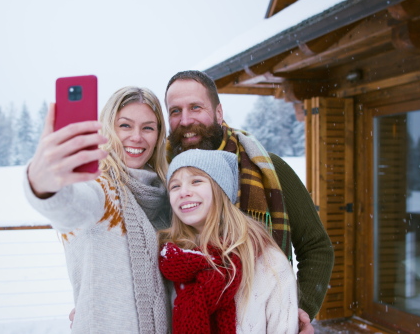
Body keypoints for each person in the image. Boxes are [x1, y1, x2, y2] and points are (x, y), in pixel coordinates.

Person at [164, 70, 334, 332]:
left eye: (196, 107)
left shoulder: (267, 169)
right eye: (175, 111)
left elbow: (316, 246)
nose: (185, 120)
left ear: (219, 113)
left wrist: (298, 310)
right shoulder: (161, 175)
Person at [25, 86, 170, 333]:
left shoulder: (167, 196)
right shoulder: (99, 189)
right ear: (107, 129)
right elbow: (70, 205)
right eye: (125, 125)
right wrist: (43, 185)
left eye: (148, 127)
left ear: (158, 135)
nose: (137, 137)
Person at [159, 149, 299, 333]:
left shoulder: (267, 262)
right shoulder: (169, 262)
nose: (184, 192)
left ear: (221, 189)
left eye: (196, 181)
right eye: (175, 186)